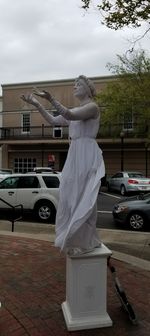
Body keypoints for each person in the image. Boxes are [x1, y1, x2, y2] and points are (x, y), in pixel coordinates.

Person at [21, 75, 105, 256]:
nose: (75, 87)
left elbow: (70, 115)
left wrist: (51, 98)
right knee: (70, 193)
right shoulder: (76, 109)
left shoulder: (92, 107)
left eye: (78, 84)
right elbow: (53, 120)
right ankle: (75, 237)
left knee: (85, 195)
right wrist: (37, 104)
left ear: (88, 89)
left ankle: (87, 238)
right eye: (74, 84)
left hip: (86, 152)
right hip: (75, 153)